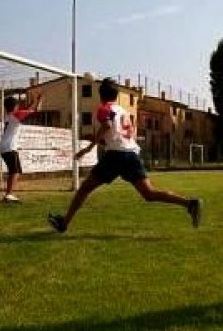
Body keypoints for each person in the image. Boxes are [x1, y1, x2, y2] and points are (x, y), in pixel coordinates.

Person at [48, 77, 203, 233]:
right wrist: (102, 141)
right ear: (116, 95)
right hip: (131, 155)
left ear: (101, 95)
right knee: (149, 193)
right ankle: (189, 204)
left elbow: (107, 126)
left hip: (115, 156)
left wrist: (88, 149)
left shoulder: (104, 109)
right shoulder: (123, 111)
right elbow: (118, 134)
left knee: (84, 189)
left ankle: (64, 223)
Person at [0, 93, 42, 203]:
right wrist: (40, 99)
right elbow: (36, 111)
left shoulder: (9, 116)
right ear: (15, 106)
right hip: (9, 146)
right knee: (15, 171)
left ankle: (9, 194)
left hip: (4, 146)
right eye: (17, 105)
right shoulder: (16, 114)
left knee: (14, 171)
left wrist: (31, 102)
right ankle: (9, 194)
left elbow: (25, 110)